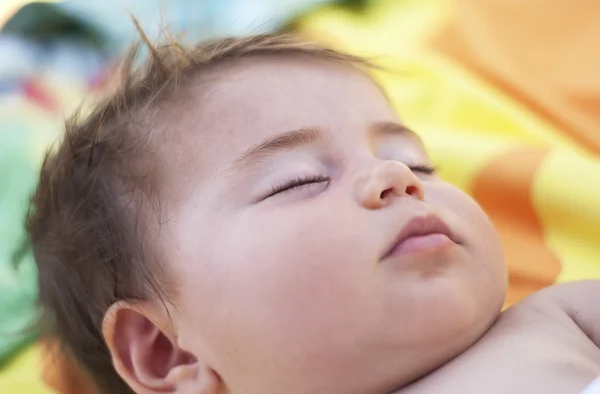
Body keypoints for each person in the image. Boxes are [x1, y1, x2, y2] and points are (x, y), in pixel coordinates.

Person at [25, 31, 600, 394]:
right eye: (301, 179)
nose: (396, 178)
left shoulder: (555, 323)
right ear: (165, 350)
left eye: (417, 163)